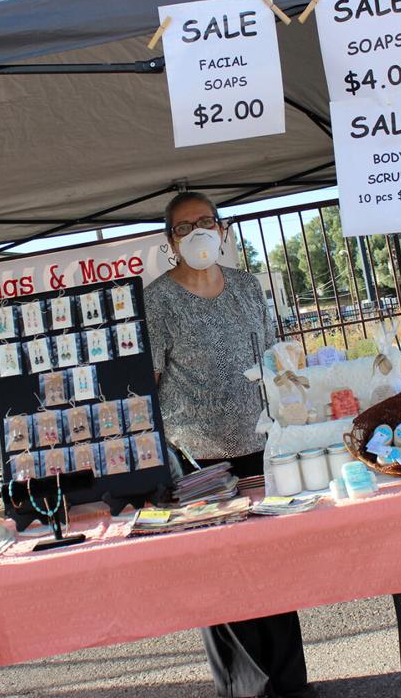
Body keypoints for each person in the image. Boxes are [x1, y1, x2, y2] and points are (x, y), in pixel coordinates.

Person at [144, 191, 313, 698]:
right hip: (198, 463)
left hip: (259, 447)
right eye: (184, 226)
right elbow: (150, 383)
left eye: (206, 221)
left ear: (222, 230)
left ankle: (290, 683)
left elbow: (273, 359)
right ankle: (246, 689)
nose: (197, 232)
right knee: (219, 574)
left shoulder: (246, 286)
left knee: (270, 563)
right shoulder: (157, 301)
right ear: (171, 240)